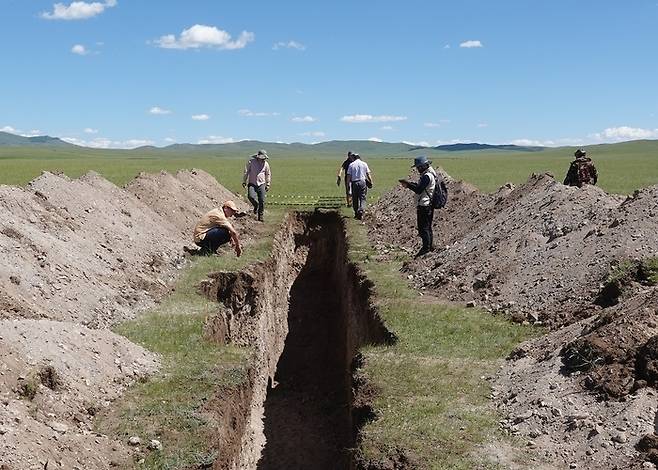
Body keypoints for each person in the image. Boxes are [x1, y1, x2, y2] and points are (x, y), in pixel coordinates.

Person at [399, 155, 440, 258]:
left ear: (422, 166)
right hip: (428, 204)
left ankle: (426, 248)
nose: (417, 169)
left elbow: (419, 189)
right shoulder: (430, 174)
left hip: (424, 205)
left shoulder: (427, 176)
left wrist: (408, 185)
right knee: (427, 227)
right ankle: (429, 246)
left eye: (418, 167)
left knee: (423, 228)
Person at [242, 149, 272, 221]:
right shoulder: (251, 162)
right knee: (251, 196)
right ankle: (256, 205)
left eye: (264, 158)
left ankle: (260, 216)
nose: (263, 159)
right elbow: (246, 172)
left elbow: (268, 174)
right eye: (262, 158)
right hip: (252, 183)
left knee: (262, 200)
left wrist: (268, 184)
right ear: (258, 157)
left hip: (261, 184)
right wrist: (244, 181)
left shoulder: (266, 164)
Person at [345, 153, 373, 220]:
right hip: (363, 182)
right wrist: (371, 181)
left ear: (354, 158)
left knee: (355, 198)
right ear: (359, 157)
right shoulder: (364, 164)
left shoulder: (351, 165)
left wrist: (347, 185)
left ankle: (356, 214)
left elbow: (348, 176)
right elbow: (368, 174)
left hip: (354, 183)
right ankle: (361, 210)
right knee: (362, 197)